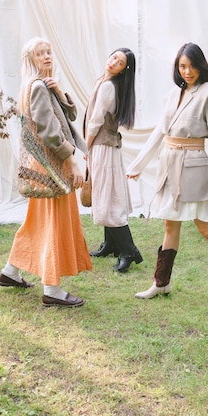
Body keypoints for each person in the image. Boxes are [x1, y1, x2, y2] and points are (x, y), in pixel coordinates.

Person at [127, 42, 208, 307]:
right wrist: (136, 165)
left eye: (192, 66)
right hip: (170, 165)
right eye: (182, 66)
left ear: (201, 66)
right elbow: (160, 131)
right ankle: (161, 282)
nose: (187, 71)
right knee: (170, 224)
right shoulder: (172, 95)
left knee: (205, 227)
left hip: (193, 167)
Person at [0, 37, 92, 307]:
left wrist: (60, 93)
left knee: (37, 222)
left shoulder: (42, 85)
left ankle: (10, 272)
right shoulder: (37, 86)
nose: (47, 57)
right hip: (54, 165)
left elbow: (69, 118)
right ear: (31, 60)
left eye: (49, 52)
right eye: (40, 54)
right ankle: (52, 289)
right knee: (55, 224)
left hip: (44, 167)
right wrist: (72, 159)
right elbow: (49, 132)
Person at [84, 48, 143, 273]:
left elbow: (96, 120)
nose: (113, 62)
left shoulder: (109, 86)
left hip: (103, 147)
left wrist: (85, 145)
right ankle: (110, 244)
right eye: (113, 57)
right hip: (105, 147)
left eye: (119, 62)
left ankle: (129, 250)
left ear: (124, 70)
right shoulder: (105, 81)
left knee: (110, 198)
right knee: (105, 194)